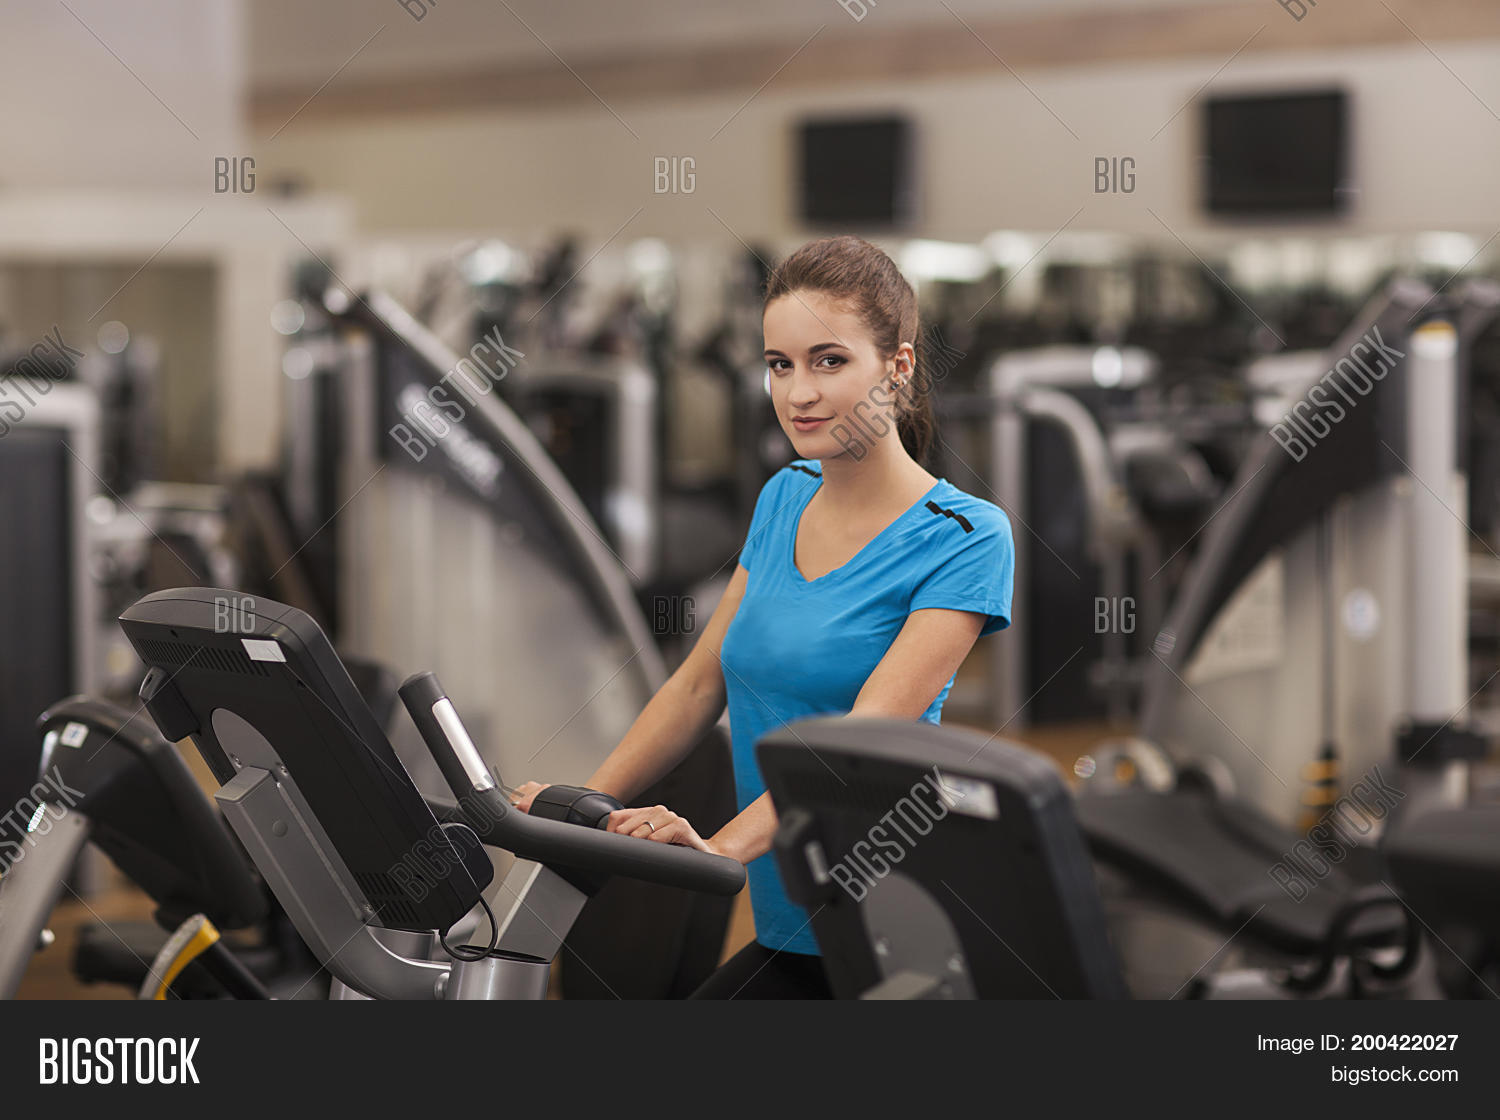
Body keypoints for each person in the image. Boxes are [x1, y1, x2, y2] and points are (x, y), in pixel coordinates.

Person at [514, 235, 1014, 998]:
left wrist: (719, 848)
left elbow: (857, 746)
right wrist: (580, 810)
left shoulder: (967, 536)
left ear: (898, 367)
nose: (798, 393)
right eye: (780, 365)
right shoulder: (785, 496)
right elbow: (696, 686)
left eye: (829, 361)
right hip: (794, 919)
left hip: (899, 929)